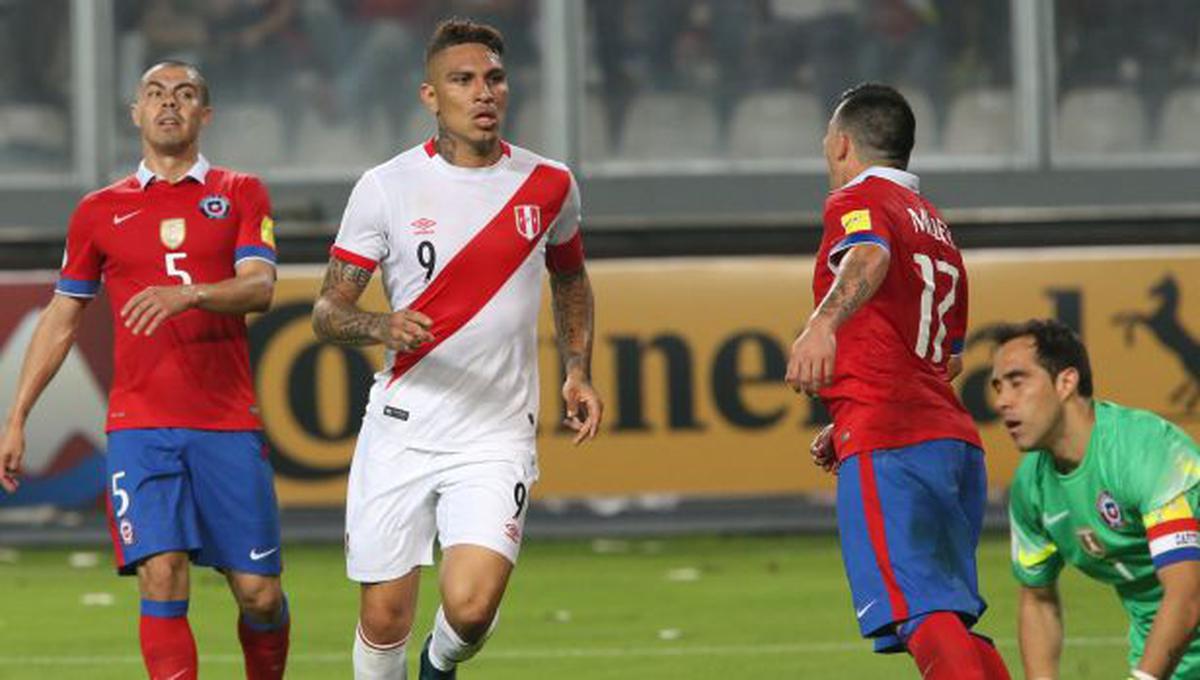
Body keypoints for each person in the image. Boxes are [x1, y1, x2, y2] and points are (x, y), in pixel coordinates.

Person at [311, 18, 602, 680]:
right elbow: (328, 312)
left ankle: (439, 666)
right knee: (385, 616)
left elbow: (571, 277)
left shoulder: (549, 184)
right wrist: (380, 326)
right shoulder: (386, 187)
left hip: (496, 432)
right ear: (430, 95)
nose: (483, 93)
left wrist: (578, 369)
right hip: (403, 428)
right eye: (463, 80)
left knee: (470, 609)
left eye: (494, 78)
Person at [0, 61, 289, 680]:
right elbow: (61, 316)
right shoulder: (99, 211)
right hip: (140, 426)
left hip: (225, 422)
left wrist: (189, 295)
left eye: (184, 95)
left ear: (204, 115)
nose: (168, 104)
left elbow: (260, 287)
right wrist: (17, 415)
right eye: (155, 94)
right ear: (135, 113)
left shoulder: (241, 191)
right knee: (160, 572)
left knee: (259, 595)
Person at [786, 83, 1010, 679]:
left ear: (840, 145)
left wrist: (821, 325)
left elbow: (867, 255)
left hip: (891, 437)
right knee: (945, 617)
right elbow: (949, 359)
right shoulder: (937, 227)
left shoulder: (858, 202)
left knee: (922, 616)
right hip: (950, 440)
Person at [993, 319, 1200, 680]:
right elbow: (1038, 599)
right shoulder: (1032, 487)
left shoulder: (1144, 451)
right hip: (1168, 656)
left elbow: (1187, 594)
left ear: (1066, 382)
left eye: (1017, 382)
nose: (1001, 401)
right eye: (997, 387)